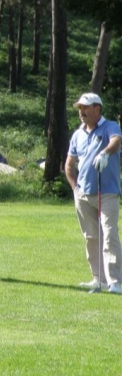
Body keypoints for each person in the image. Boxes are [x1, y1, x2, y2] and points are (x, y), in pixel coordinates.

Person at [64, 93, 122, 294]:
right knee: (91, 237)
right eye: (80, 108)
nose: (82, 112)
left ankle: (115, 281)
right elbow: (69, 165)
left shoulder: (110, 126)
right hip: (83, 194)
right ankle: (99, 279)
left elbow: (116, 141)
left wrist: (105, 153)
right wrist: (75, 188)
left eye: (86, 108)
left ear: (97, 109)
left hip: (107, 193)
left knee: (109, 234)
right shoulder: (78, 134)